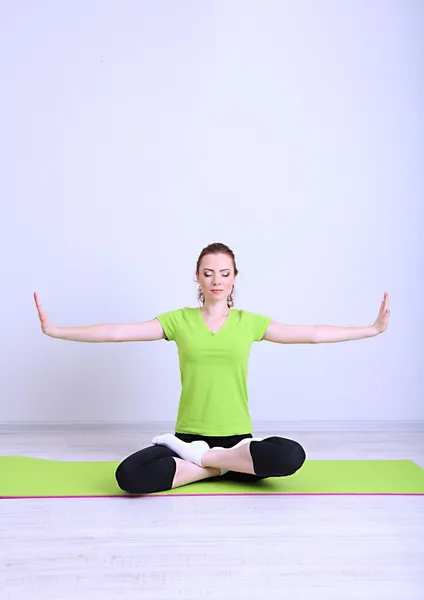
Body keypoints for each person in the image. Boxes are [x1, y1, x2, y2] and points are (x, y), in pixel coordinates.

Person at [34, 242, 390, 495]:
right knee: (129, 475)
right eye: (208, 273)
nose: (216, 280)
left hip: (239, 443)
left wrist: (371, 329)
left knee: (289, 454)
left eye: (224, 273)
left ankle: (209, 462)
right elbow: (116, 333)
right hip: (188, 437)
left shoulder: (249, 322)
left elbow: (311, 334)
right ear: (198, 278)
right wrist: (56, 330)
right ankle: (220, 467)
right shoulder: (179, 321)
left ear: (235, 277)